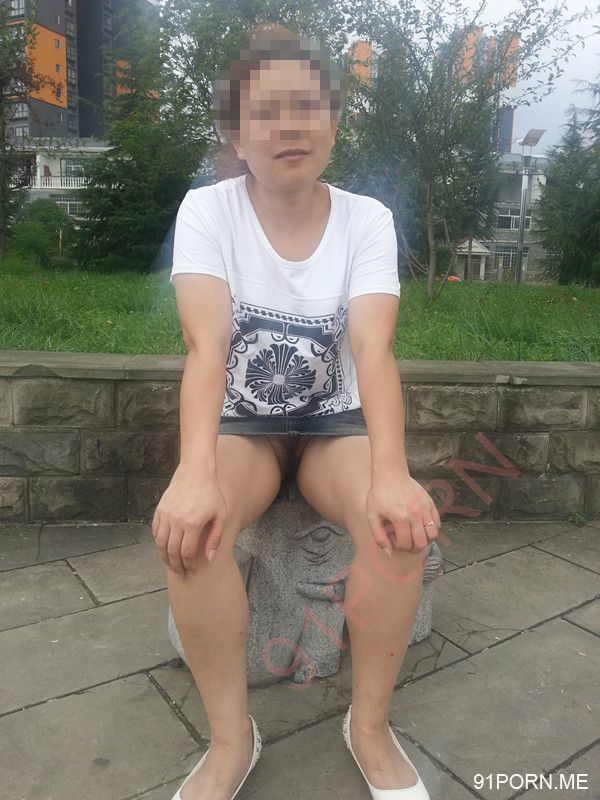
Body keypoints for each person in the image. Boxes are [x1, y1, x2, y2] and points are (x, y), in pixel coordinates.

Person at [153, 22, 440, 800]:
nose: (291, 126)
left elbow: (374, 351)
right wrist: (193, 473)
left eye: (309, 106)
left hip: (330, 428)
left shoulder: (366, 219)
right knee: (193, 536)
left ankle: (369, 729)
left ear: (335, 120)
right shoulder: (208, 212)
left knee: (396, 530)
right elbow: (205, 347)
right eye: (268, 110)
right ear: (236, 132)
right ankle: (230, 742)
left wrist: (391, 473)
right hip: (243, 428)